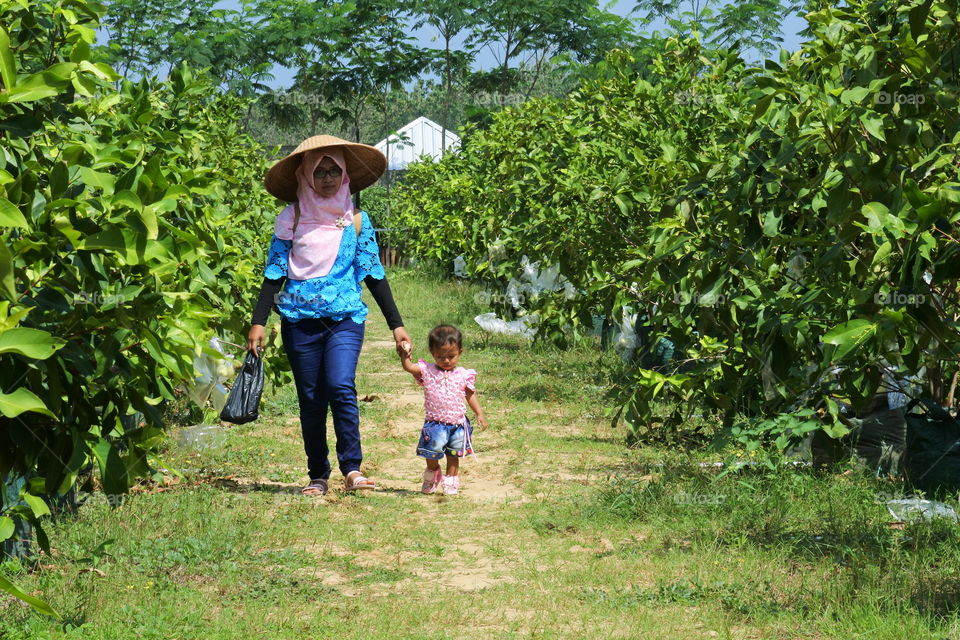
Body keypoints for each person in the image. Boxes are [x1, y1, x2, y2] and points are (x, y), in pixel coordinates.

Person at [246, 135, 412, 496]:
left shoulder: (355, 220)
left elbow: (373, 273)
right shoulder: (292, 217)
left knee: (340, 386)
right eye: (318, 171)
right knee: (311, 398)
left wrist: (396, 325)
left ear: (344, 176)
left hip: (344, 319)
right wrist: (259, 321)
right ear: (305, 175)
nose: (326, 178)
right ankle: (318, 474)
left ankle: (351, 468)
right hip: (298, 320)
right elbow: (275, 272)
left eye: (333, 171)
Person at [399, 324, 487, 495]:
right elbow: (409, 367)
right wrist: (405, 356)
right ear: (433, 353)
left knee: (453, 455)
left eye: (451, 356)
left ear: (460, 352)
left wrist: (479, 413)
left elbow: (470, 395)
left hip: (457, 424)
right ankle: (433, 474)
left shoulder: (463, 374)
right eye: (441, 357)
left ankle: (451, 480)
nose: (446, 361)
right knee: (431, 454)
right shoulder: (427, 370)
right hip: (434, 424)